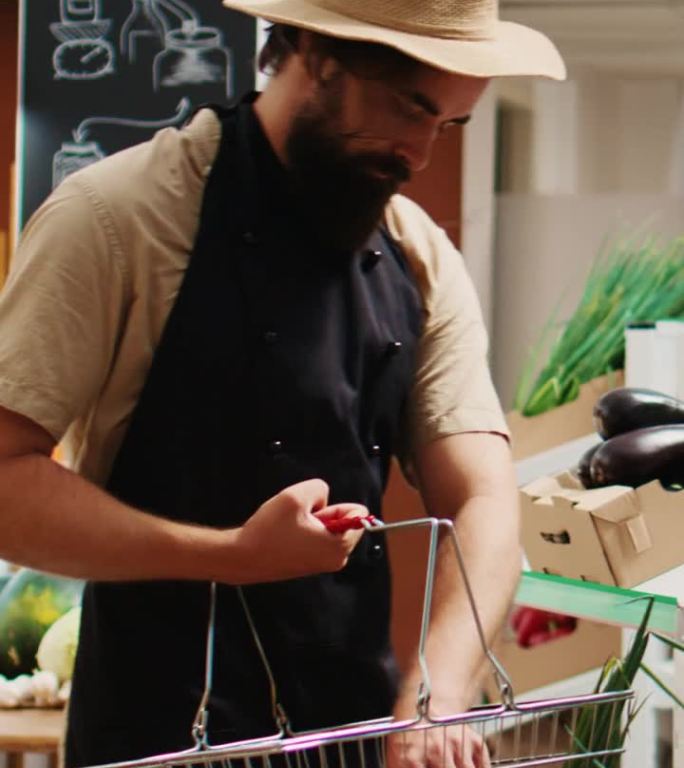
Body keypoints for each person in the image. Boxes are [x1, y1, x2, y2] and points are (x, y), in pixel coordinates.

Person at [0, 1, 564, 767]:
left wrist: (437, 693)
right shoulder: (117, 218)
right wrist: (229, 553)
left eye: (451, 125)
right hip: (159, 735)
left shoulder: (419, 252)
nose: (422, 153)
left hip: (352, 736)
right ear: (319, 54)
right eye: (409, 108)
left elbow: (484, 497)